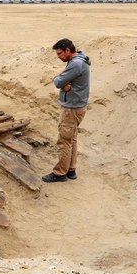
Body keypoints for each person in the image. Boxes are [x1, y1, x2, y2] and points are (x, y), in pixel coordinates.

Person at [42, 38, 91, 183]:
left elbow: (58, 82)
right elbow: (64, 82)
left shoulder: (76, 64)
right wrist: (64, 83)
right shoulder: (80, 59)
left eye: (59, 54)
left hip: (72, 108)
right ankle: (71, 170)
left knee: (64, 141)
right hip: (78, 105)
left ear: (68, 50)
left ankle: (60, 173)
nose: (58, 57)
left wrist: (60, 81)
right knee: (72, 139)